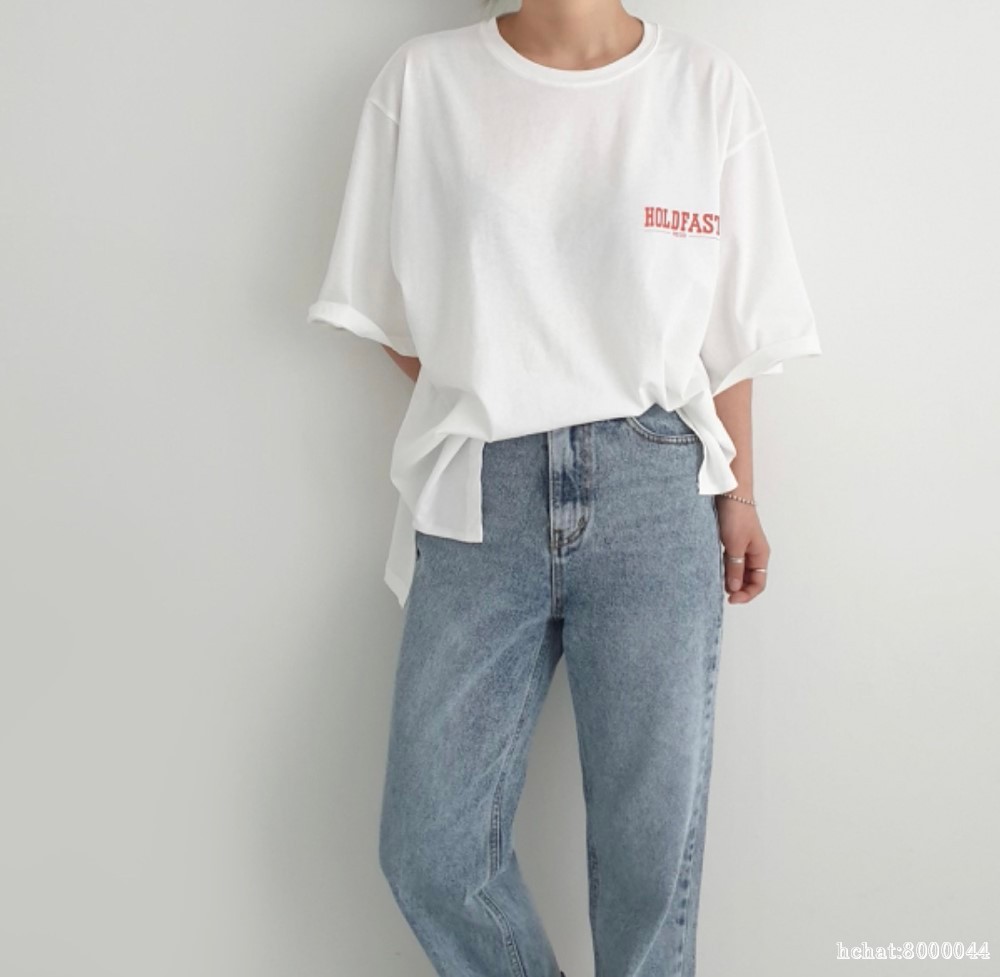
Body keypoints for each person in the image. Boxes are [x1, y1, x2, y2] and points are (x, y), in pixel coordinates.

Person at [306, 1, 822, 974]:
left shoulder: (703, 88)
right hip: (480, 491)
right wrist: (506, 390)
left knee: (648, 861)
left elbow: (733, 331)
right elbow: (392, 310)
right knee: (430, 847)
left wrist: (741, 495)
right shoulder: (424, 82)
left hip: (655, 488)